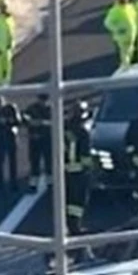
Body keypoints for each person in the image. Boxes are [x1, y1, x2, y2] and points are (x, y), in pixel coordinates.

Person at [62, 100, 93, 234]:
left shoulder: (63, 128)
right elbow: (85, 157)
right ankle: (75, 226)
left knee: (67, 200)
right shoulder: (83, 132)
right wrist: (92, 167)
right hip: (79, 172)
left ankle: (69, 225)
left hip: (64, 171)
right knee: (78, 201)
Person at [0, 95, 22, 193]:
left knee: (12, 162)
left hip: (10, 137)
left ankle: (13, 183)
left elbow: (18, 121)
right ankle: (0, 184)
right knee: (0, 162)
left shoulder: (11, 107)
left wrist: (8, 121)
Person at [104, 0, 137, 71]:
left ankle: (127, 68)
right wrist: (118, 29)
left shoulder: (130, 7)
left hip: (131, 36)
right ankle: (125, 69)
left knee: (130, 53)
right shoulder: (115, 10)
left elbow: (134, 18)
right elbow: (108, 23)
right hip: (121, 37)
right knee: (124, 55)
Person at [23, 92, 52, 189]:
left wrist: (43, 123)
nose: (42, 102)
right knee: (34, 161)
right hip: (34, 139)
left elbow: (57, 121)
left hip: (47, 139)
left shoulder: (51, 109)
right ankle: (34, 182)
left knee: (49, 161)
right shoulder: (32, 108)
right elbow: (24, 118)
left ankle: (50, 181)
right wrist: (30, 121)